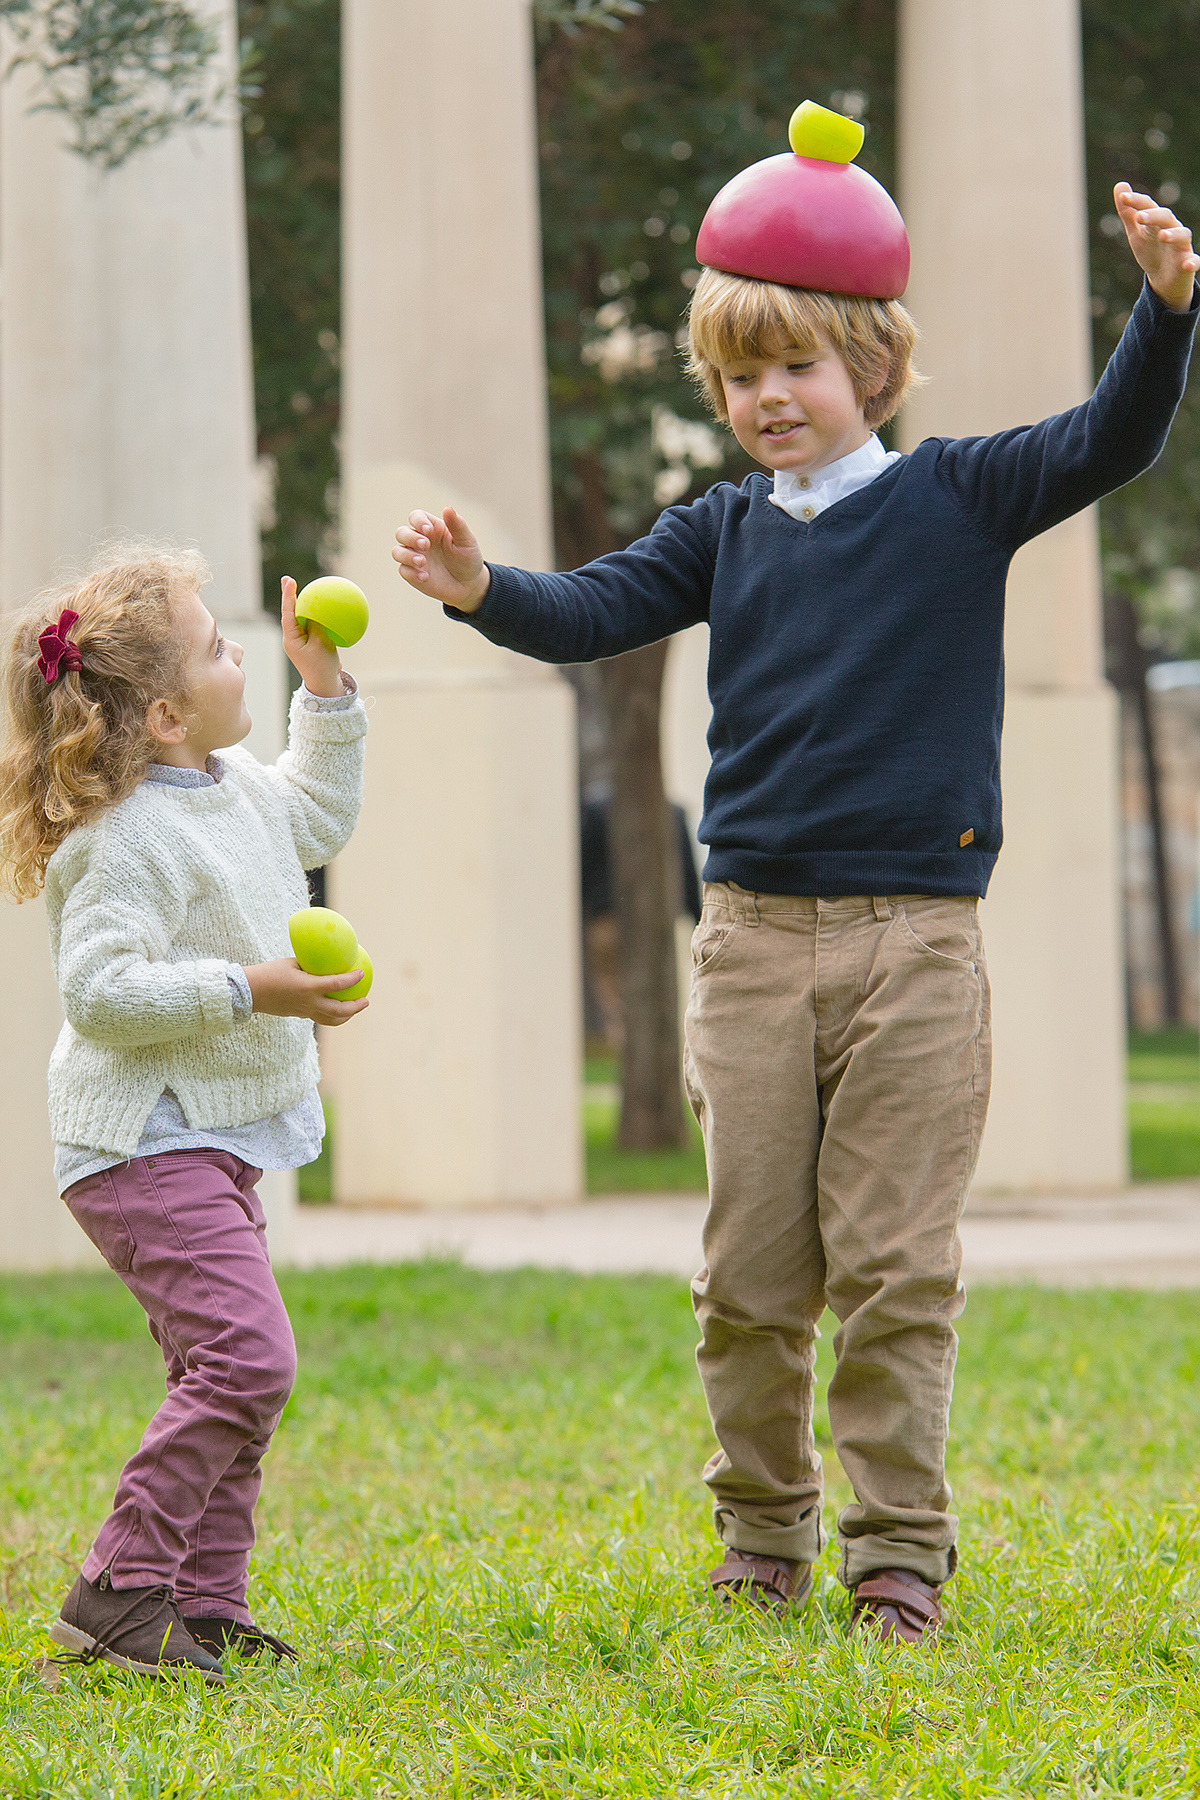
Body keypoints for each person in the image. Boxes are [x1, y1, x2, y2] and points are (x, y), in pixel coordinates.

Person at [392, 103, 1198, 1644]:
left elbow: (1112, 442)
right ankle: (763, 1535)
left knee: (896, 1272)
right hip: (752, 942)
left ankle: (898, 1551)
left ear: (874, 368)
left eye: (799, 366)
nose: (770, 397)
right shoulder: (721, 532)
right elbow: (587, 612)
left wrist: (1162, 316)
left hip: (918, 948)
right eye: (742, 374)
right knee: (748, 1280)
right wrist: (484, 591)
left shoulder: (962, 497)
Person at [0, 550, 369, 1682]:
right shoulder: (121, 843)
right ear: (163, 714)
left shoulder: (235, 785)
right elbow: (100, 996)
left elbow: (320, 814)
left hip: (205, 1137)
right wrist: (251, 986)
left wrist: (328, 694)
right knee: (246, 1361)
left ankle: (202, 1604)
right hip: (140, 1144)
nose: (239, 649)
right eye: (219, 647)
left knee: (223, 1366)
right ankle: (119, 1586)